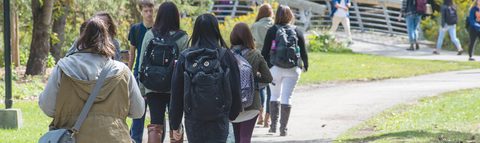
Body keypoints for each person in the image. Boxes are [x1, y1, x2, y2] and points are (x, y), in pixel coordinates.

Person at [38, 18, 145, 142]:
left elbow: (47, 106)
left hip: (73, 139)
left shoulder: (63, 68)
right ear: (108, 41)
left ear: (81, 39)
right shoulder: (122, 71)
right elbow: (138, 111)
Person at [169, 13, 242, 142]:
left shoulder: (185, 57)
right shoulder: (225, 56)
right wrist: (232, 114)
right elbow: (236, 88)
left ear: (196, 30)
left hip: (193, 120)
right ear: (215, 30)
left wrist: (175, 124)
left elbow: (176, 93)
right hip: (219, 119)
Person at [137, 1, 189, 142]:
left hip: (153, 86)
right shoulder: (183, 37)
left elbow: (142, 63)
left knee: (156, 123)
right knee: (176, 122)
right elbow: (185, 68)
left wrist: (143, 90)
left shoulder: (149, 35)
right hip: (175, 88)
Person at [261, 5, 309, 136]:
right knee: (287, 97)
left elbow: (264, 51)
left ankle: (273, 126)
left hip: (274, 68)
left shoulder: (272, 30)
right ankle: (283, 129)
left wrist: (262, 67)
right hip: (293, 69)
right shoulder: (297, 30)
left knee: (275, 95)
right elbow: (304, 51)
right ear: (290, 16)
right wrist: (305, 66)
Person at [230, 22, 273, 143]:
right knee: (245, 138)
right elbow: (268, 78)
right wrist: (253, 79)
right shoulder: (255, 55)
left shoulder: (227, 55)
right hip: (251, 102)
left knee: (236, 138)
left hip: (233, 104)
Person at [127, 1, 155, 142]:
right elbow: (131, 53)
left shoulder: (158, 29)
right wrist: (129, 73)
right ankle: (135, 140)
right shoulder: (136, 29)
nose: (149, 14)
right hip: (138, 74)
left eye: (151, 10)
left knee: (157, 112)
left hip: (156, 76)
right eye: (146, 11)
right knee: (138, 113)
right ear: (141, 12)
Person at [250, 3, 274, 127]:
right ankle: (267, 118)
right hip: (273, 59)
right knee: (271, 89)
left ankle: (260, 113)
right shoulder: (274, 25)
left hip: (257, 58)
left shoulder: (254, 26)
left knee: (260, 87)